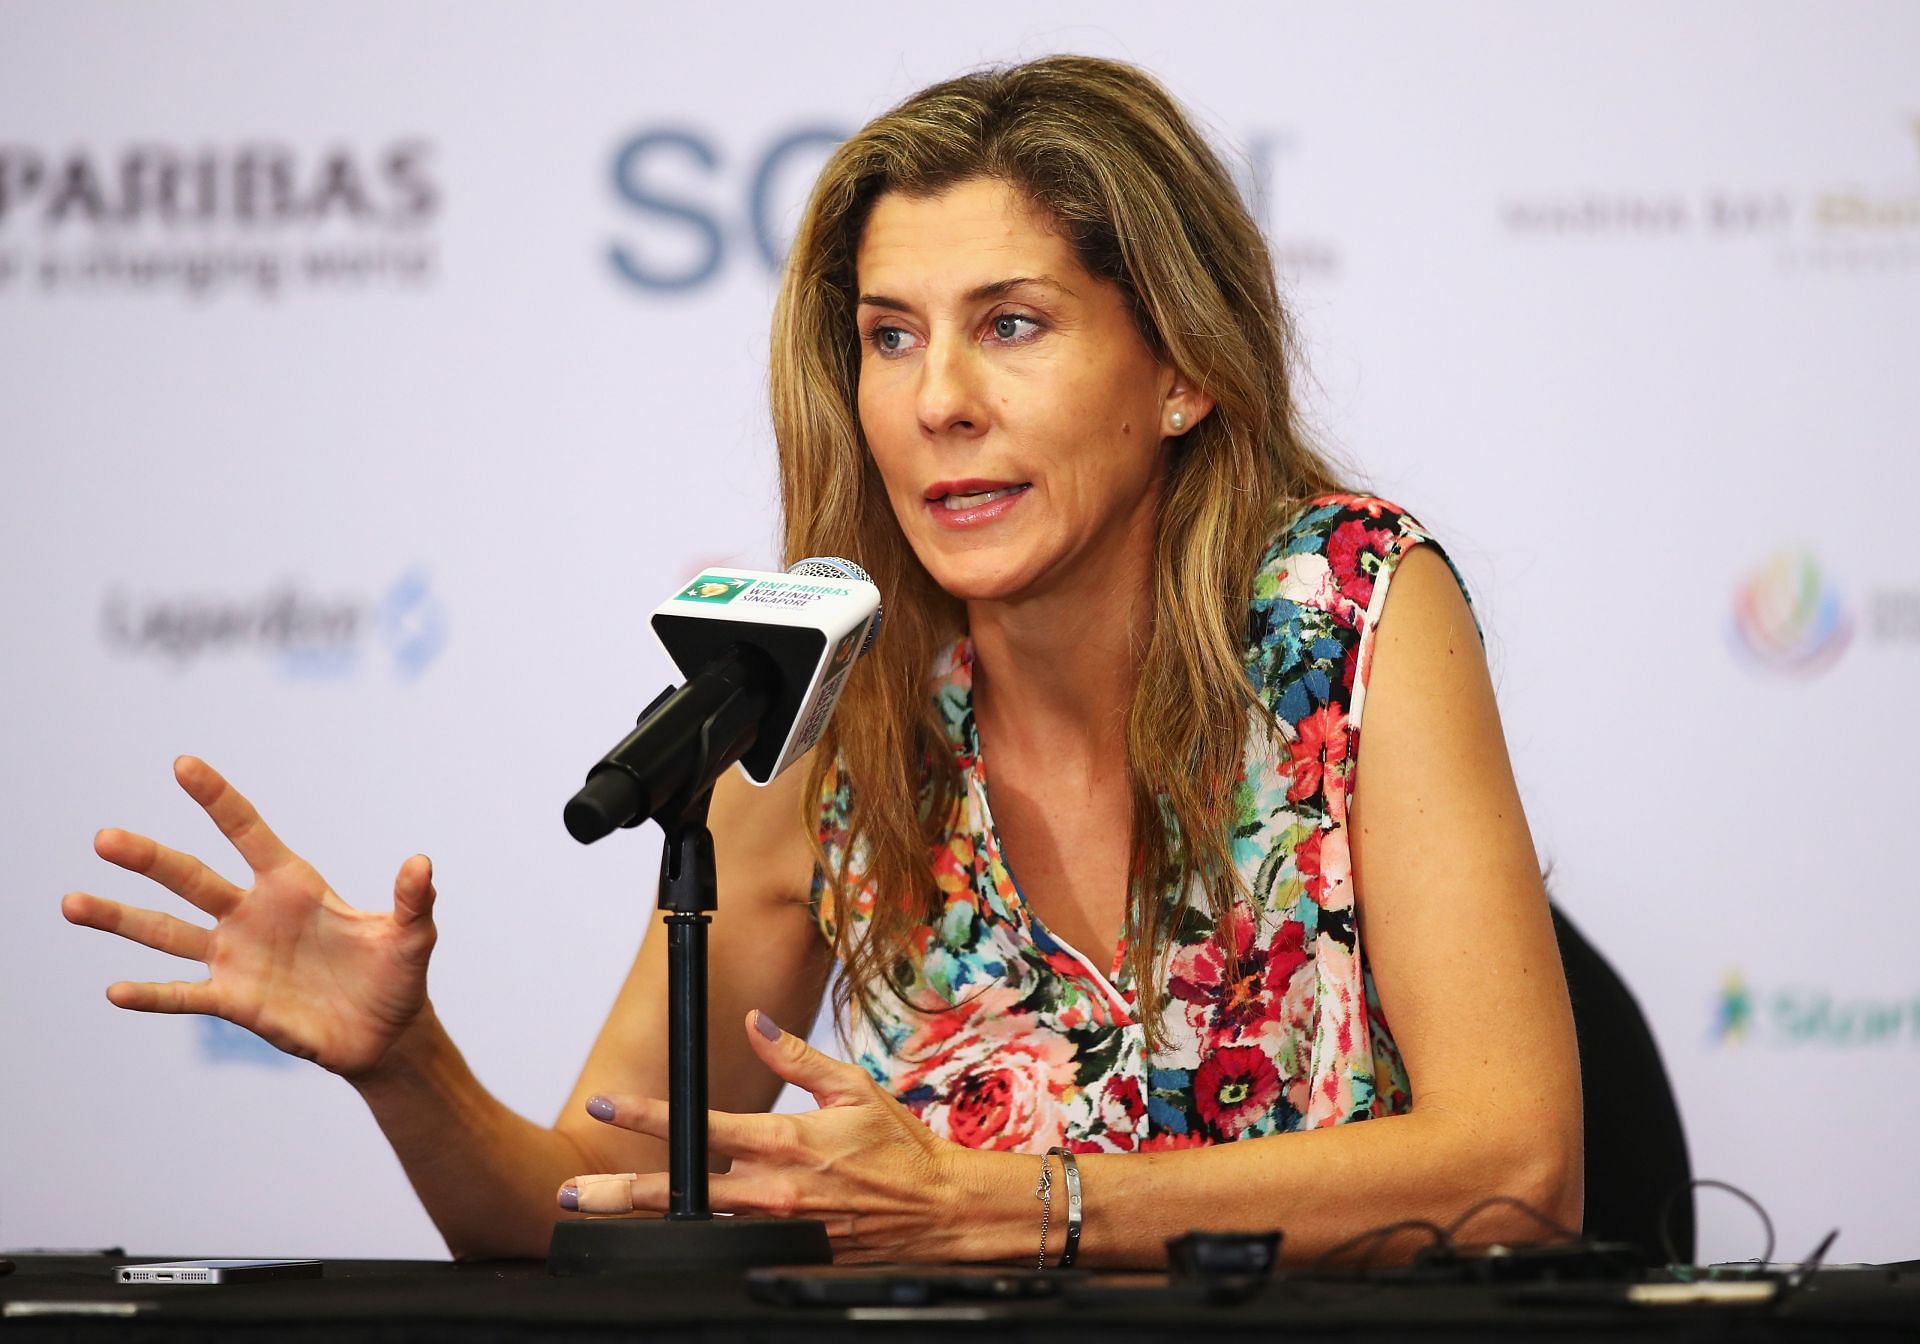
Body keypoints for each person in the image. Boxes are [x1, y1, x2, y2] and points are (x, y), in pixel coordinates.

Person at [62, 56, 1580, 1268]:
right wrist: (407, 1067)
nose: (942, 401)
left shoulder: (1348, 610)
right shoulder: (824, 710)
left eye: (1014, 324)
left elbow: (1521, 1171)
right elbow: (587, 1210)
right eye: (892, 337)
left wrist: (1026, 1208)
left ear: (1180, 366)